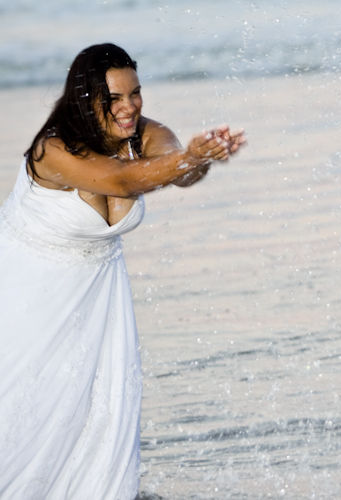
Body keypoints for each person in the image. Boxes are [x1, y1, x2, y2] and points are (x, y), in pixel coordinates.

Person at [0, 43, 244, 499]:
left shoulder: (144, 134)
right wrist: (188, 158)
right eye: (114, 98)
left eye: (135, 93)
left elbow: (176, 170)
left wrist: (198, 158)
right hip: (27, 289)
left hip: (97, 292)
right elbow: (120, 180)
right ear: (84, 99)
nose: (129, 106)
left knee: (96, 410)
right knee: (23, 403)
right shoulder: (51, 149)